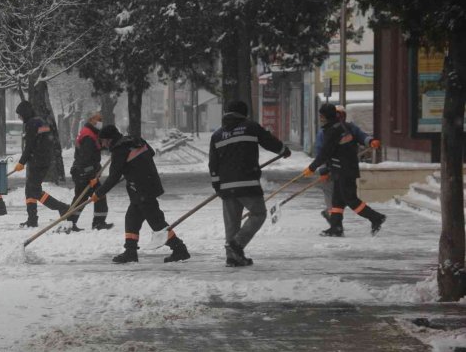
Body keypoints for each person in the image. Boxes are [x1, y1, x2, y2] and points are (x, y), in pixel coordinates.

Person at [209, 100, 291, 267]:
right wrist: (283, 150)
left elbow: (213, 163)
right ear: (244, 114)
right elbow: (268, 141)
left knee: (232, 223)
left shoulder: (217, 135)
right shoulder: (250, 127)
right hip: (247, 182)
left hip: (226, 185)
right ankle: (237, 244)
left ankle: (232, 258)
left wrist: (217, 185)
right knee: (258, 214)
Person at [91, 125, 190, 264]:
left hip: (142, 188)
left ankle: (180, 249)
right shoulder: (134, 140)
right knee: (132, 219)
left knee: (157, 223)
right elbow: (151, 152)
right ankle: (130, 252)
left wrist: (99, 193)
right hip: (147, 184)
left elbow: (113, 177)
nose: (102, 144)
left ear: (109, 139)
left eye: (102, 141)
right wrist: (134, 166)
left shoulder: (120, 150)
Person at [304, 103, 386, 237]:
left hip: (344, 170)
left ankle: (376, 217)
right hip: (341, 169)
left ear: (327, 116)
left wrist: (312, 168)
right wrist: (323, 169)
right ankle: (336, 228)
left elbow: (324, 152)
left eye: (321, 116)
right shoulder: (342, 127)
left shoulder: (332, 131)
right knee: (337, 200)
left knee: (351, 199)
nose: (320, 118)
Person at [14, 101, 69, 228]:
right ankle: (32, 219)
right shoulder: (40, 121)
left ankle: (62, 207)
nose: (19, 117)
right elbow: (46, 140)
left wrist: (21, 162)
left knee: (34, 190)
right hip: (43, 159)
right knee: (30, 190)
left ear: (25, 113)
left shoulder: (32, 124)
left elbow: (30, 145)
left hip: (37, 161)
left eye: (20, 115)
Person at [67, 111, 114, 232]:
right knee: (90, 197)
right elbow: (86, 158)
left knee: (82, 198)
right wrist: (91, 175)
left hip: (84, 171)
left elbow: (96, 148)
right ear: (92, 120)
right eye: (98, 120)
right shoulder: (88, 136)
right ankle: (95, 223)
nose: (100, 123)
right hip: (84, 172)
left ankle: (72, 222)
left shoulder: (91, 133)